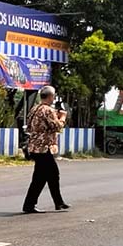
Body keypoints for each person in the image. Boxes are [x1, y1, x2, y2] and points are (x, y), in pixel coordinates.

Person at [22, 86, 70, 214]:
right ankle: (55, 203)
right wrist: (63, 117)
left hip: (34, 147)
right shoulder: (48, 110)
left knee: (43, 177)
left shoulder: (35, 109)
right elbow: (56, 126)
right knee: (50, 175)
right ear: (50, 97)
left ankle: (53, 202)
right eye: (53, 97)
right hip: (44, 148)